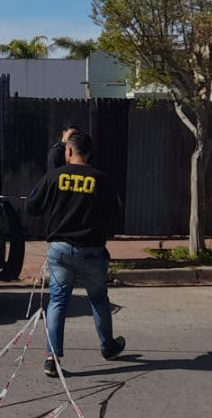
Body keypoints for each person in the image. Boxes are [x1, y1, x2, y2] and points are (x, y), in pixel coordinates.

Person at [26, 131, 125, 378]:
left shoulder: (54, 177)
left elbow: (32, 206)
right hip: (91, 251)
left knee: (58, 301)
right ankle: (108, 347)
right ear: (89, 152)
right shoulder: (101, 179)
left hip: (59, 251)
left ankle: (52, 357)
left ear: (68, 152)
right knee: (99, 300)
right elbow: (114, 211)